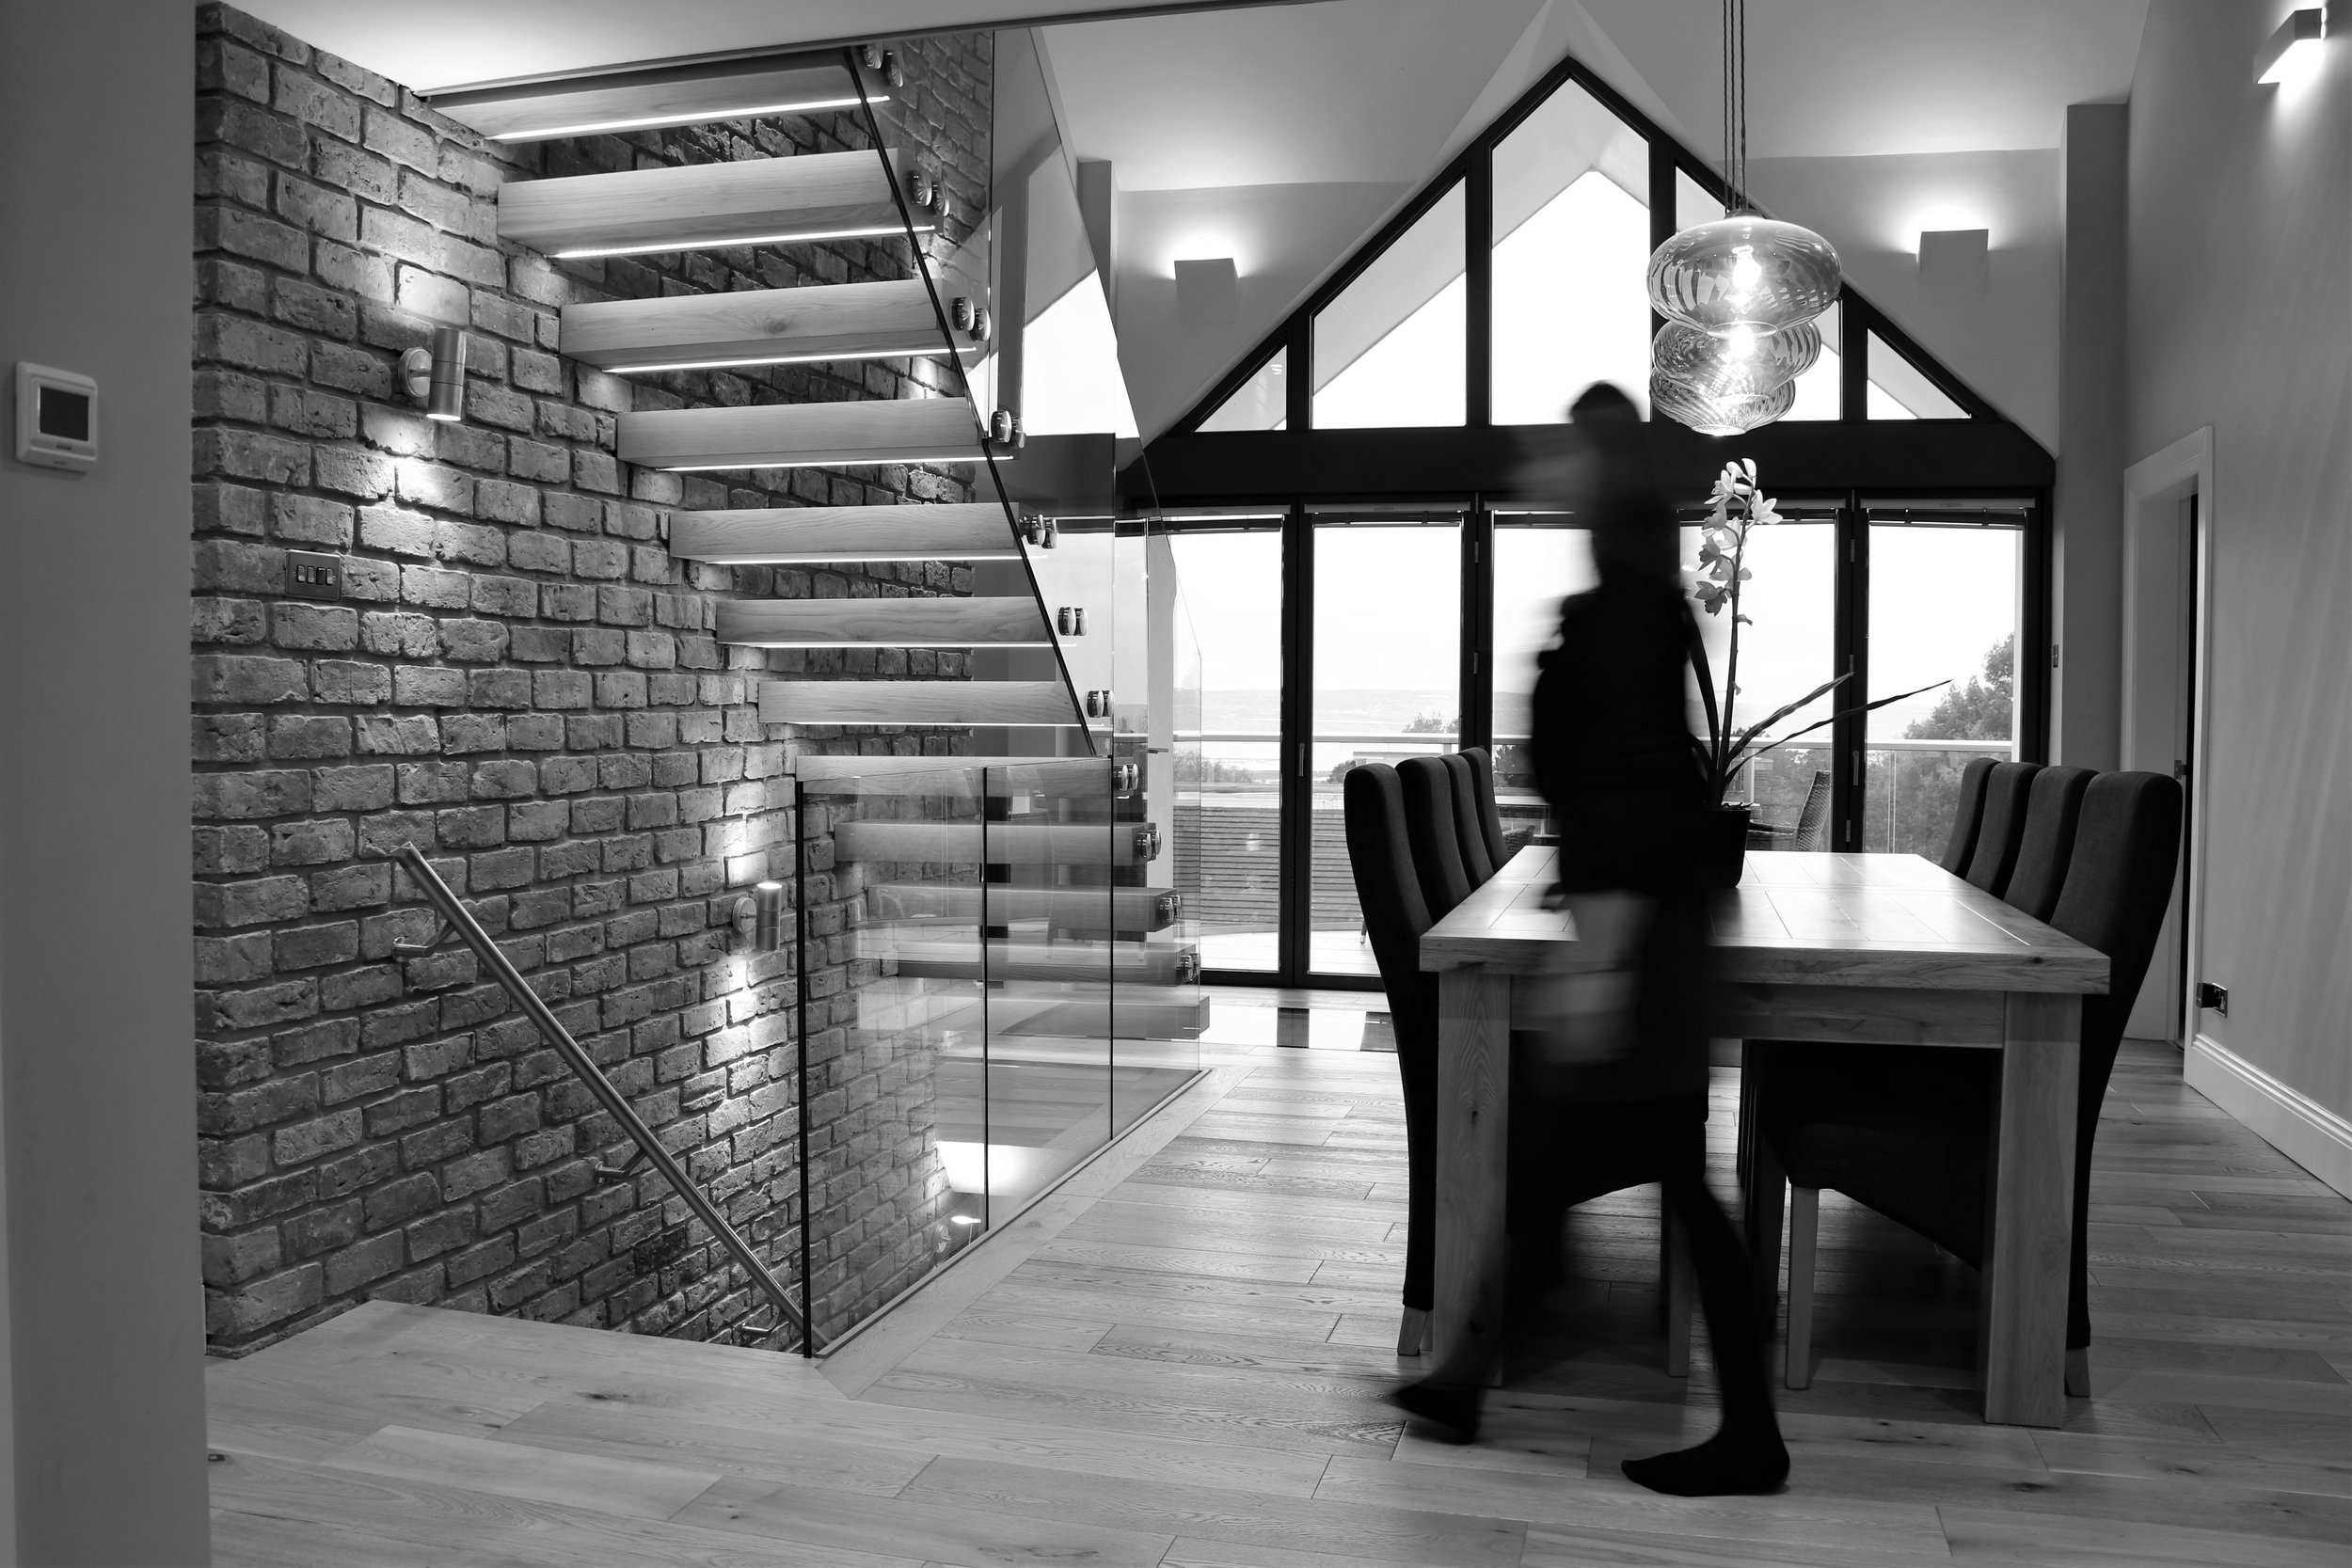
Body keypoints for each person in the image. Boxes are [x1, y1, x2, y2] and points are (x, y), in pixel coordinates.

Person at [1387, 383, 1788, 1498]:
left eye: (1566, 447)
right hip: (1647, 933)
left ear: (1596, 473)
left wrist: (1601, 963)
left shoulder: (1617, 617)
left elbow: (1623, 799)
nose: (1547, 461)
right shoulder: (1634, 601)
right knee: (1577, 1163)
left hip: (1637, 942)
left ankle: (1744, 1431)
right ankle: (1464, 1376)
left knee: (1635, 1169)